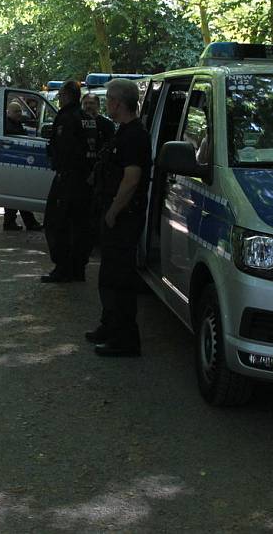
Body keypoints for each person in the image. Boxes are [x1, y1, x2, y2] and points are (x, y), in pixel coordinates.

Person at [86, 78, 151, 357]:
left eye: (109, 99)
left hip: (124, 218)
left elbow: (131, 179)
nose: (107, 104)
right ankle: (109, 326)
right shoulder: (122, 131)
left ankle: (125, 339)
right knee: (109, 276)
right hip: (114, 215)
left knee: (120, 280)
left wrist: (113, 212)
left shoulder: (135, 135)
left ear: (118, 102)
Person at [41, 80, 99, 283]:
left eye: (60, 96)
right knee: (81, 226)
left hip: (68, 179)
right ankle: (78, 268)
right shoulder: (88, 118)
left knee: (57, 223)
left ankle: (63, 268)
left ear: (66, 95)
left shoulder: (66, 118)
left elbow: (64, 150)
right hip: (86, 181)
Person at [2, 102, 42, 231]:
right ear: (8, 112)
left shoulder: (14, 122)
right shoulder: (9, 124)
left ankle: (10, 222)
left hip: (14, 161)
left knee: (16, 191)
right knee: (18, 191)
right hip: (12, 161)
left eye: (20, 111)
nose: (19, 114)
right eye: (16, 111)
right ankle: (28, 223)